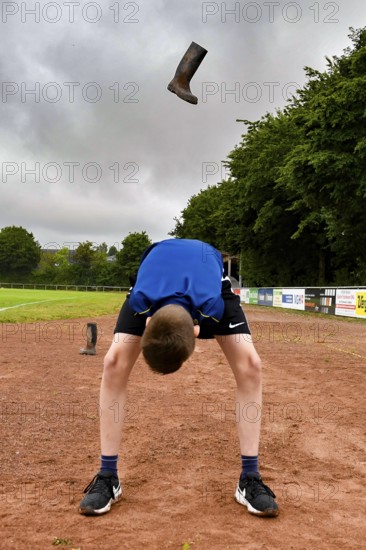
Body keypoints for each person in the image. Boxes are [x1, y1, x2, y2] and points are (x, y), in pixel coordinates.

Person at [79, 238, 278, 517]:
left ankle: (250, 478)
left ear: (198, 330)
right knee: (113, 363)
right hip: (155, 269)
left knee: (251, 366)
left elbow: (221, 319)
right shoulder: (141, 301)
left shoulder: (212, 306)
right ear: (147, 322)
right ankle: (108, 475)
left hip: (207, 269)